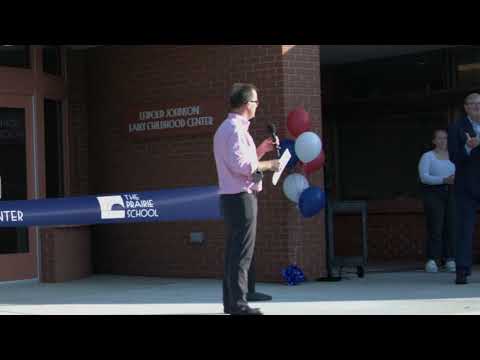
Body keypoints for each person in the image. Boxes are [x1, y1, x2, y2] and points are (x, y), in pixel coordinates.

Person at [213, 83, 280, 315]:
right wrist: (270, 164)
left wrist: (260, 149)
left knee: (234, 254)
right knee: (242, 255)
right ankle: (239, 305)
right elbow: (243, 166)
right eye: (255, 102)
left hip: (233, 198)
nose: (257, 105)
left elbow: (241, 161)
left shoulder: (229, 128)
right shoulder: (235, 130)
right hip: (241, 198)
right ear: (245, 104)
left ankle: (231, 303)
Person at [448, 93, 480, 285]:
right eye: (473, 104)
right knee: (464, 230)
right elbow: (453, 157)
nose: (477, 106)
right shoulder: (456, 127)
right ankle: (462, 271)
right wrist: (467, 148)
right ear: (466, 107)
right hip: (466, 186)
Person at [418, 129, 456, 273]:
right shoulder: (428, 156)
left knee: (451, 226)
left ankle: (450, 258)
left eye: (445, 138)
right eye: (439, 138)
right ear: (434, 141)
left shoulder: (453, 155)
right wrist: (443, 180)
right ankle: (432, 259)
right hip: (434, 193)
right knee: (436, 226)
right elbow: (424, 177)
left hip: (452, 192)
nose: (443, 141)